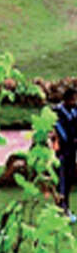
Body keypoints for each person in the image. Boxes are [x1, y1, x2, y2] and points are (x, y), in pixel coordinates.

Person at [55, 87, 77, 216]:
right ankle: (61, 209)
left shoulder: (74, 111)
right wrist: (71, 140)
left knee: (68, 181)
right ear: (66, 100)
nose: (75, 102)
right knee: (62, 182)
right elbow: (61, 133)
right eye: (73, 99)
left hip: (72, 152)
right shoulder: (58, 113)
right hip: (62, 152)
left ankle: (66, 208)